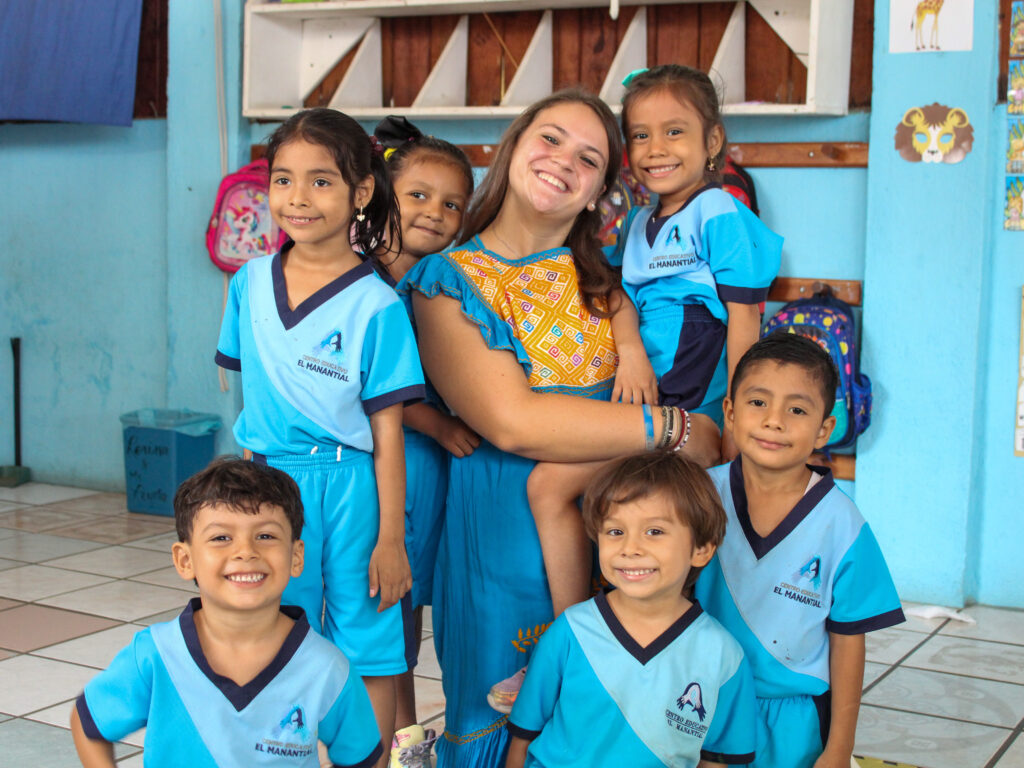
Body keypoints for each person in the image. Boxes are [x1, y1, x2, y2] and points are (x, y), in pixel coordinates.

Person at [401, 88, 722, 768]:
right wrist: (673, 427)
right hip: (501, 534)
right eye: (549, 139)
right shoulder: (449, 279)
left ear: (600, 191)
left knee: (615, 709)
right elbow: (514, 423)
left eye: (588, 157)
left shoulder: (597, 277)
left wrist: (680, 427)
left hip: (618, 524)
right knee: (507, 720)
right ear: (514, 145)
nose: (562, 161)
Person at [516, 62, 784, 680]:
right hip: (638, 413)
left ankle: (577, 648)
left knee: (557, 490)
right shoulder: (637, 225)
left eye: (675, 132)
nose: (655, 149)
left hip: (691, 420)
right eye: (639, 135)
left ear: (713, 142)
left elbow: (744, 334)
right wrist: (630, 348)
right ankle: (582, 640)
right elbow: (615, 296)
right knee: (571, 499)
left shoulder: (718, 213)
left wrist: (737, 439)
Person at [215, 107, 426, 766]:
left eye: (321, 182)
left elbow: (388, 435)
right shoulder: (247, 284)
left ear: (361, 191)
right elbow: (246, 398)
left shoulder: (377, 305)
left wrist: (391, 538)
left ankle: (369, 759)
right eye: (283, 180)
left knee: (368, 637)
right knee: (277, 627)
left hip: (352, 486)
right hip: (270, 488)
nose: (297, 199)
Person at [70, 458, 383, 768]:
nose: (245, 551)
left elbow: (361, 756)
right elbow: (88, 725)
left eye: (266, 536)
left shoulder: (326, 667)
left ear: (296, 556)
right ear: (184, 560)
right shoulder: (155, 655)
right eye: (221, 538)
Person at [694, 332, 906, 768]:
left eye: (796, 409)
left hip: (792, 718)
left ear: (825, 428)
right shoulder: (697, 498)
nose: (775, 421)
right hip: (698, 702)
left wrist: (839, 748)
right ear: (730, 413)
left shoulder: (841, 524)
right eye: (758, 403)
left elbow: (849, 642)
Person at [505, 452, 758, 768]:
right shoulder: (569, 631)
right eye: (615, 531)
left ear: (701, 549)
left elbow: (720, 758)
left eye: (654, 531)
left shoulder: (724, 656)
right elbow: (523, 736)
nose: (630, 548)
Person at [373, 115, 480, 764]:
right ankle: (391, 734)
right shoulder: (362, 283)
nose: (434, 213)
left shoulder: (438, 283)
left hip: (432, 474)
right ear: (382, 194)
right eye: (417, 195)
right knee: (385, 603)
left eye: (451, 204)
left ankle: (409, 732)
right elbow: (372, 389)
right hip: (386, 465)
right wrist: (438, 423)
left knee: (413, 606)